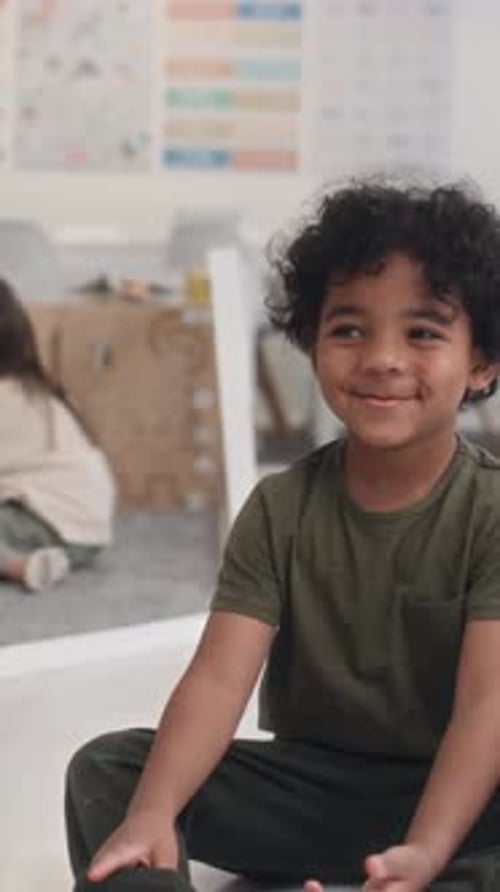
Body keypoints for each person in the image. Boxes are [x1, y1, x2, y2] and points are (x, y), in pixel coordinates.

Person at [65, 179, 500, 892]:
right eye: (349, 329)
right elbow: (216, 682)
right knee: (110, 772)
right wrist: (153, 811)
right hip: (312, 794)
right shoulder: (281, 506)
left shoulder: (490, 512)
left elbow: (489, 708)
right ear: (312, 341)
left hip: (460, 800)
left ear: (482, 361)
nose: (382, 358)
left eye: (422, 332)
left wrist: (424, 850)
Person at [0, 278, 114, 592]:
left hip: (53, 520)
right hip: (78, 526)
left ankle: (20, 565)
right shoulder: (32, 388)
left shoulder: (9, 400)